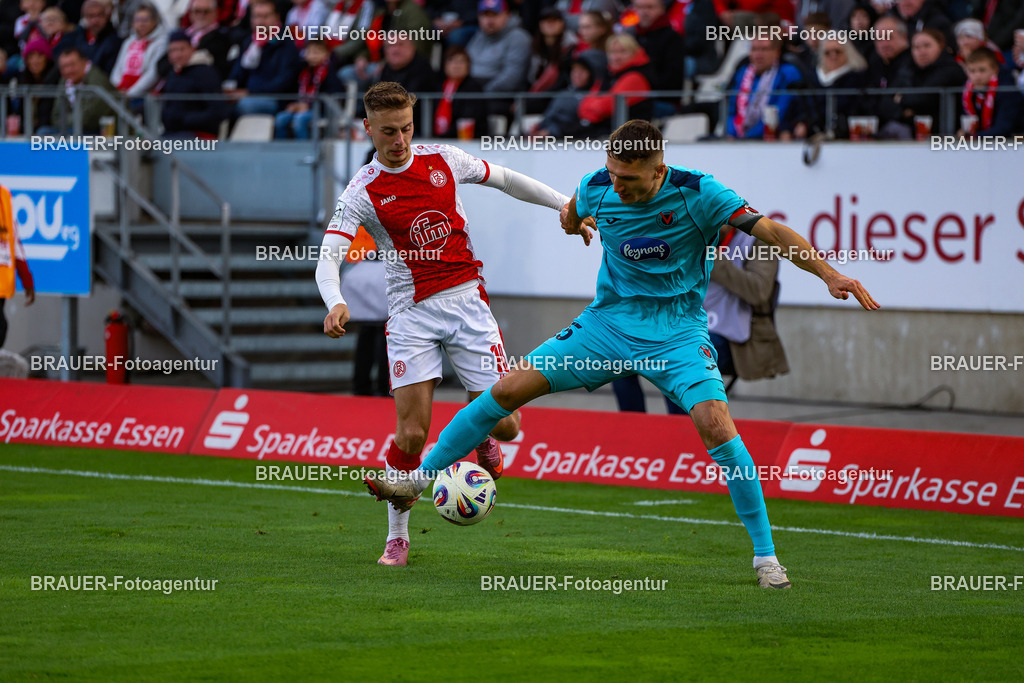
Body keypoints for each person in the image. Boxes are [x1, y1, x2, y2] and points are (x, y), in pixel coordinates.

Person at [365, 119, 881, 589]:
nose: (616, 185)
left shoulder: (699, 192)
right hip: (607, 327)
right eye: (612, 174)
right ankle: (419, 475)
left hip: (676, 335)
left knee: (718, 426)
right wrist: (575, 223)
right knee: (506, 389)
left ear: (659, 170)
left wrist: (830, 273)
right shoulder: (597, 186)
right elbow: (572, 212)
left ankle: (766, 559)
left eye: (628, 179)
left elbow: (770, 232)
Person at [315, 82, 580, 567]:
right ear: (368, 128)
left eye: (408, 128)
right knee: (412, 437)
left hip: (468, 306)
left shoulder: (443, 160)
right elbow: (328, 256)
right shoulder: (361, 191)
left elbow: (506, 179)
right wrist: (335, 301)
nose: (400, 140)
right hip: (410, 314)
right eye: (389, 132)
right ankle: (398, 537)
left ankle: (477, 434)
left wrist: (567, 205)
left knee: (509, 427)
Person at [228, 0, 301, 117]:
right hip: (248, 95)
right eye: (256, 16)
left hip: (276, 100)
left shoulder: (286, 43)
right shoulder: (249, 42)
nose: (260, 21)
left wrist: (250, 92)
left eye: (265, 16)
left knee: (245, 106)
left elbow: (283, 83)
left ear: (276, 17)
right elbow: (237, 74)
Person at [725, 37, 805, 139]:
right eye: (754, 49)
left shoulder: (788, 73)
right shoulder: (742, 73)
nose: (758, 55)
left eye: (764, 49)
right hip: (740, 138)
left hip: (772, 138)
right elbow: (731, 110)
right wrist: (732, 134)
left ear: (777, 52)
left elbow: (780, 111)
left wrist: (747, 138)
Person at [159, 29, 227, 138]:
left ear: (192, 49)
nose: (177, 54)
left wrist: (184, 119)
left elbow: (217, 111)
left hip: (199, 134)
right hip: (173, 132)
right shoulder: (173, 74)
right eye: (173, 50)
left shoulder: (205, 73)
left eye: (182, 49)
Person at [275, 39, 342, 138]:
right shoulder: (301, 71)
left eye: (316, 52)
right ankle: (280, 150)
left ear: (326, 54)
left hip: (320, 111)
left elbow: (332, 97)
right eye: (309, 52)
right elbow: (290, 90)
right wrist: (292, 105)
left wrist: (309, 106)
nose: (312, 56)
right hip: (300, 108)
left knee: (300, 120)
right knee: (280, 119)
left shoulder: (330, 73)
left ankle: (303, 150)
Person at [43, 46, 117, 134]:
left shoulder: (97, 81)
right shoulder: (65, 80)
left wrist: (66, 120)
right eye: (63, 67)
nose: (68, 70)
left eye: (72, 65)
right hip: (72, 128)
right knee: (43, 132)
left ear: (84, 62)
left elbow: (89, 119)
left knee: (71, 134)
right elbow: (56, 116)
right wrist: (68, 120)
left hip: (99, 132)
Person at [957, 46, 1023, 136]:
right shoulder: (967, 92)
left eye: (982, 70)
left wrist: (974, 136)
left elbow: (1003, 128)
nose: (977, 76)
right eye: (972, 71)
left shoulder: (1007, 92)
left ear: (995, 70)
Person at [1, 184, 35, 349]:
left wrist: (26, 279)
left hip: (1, 283)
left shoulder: (4, 196)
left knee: (1, 328)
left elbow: (13, 240)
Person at [110, 3, 168, 100]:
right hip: (121, 93)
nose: (141, 24)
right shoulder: (128, 42)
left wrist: (130, 93)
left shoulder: (161, 42)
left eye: (145, 20)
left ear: (155, 21)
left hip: (145, 97)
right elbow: (118, 68)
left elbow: (153, 73)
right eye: (137, 20)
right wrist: (116, 89)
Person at [433, 46, 488, 139]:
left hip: (463, 140)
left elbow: (468, 118)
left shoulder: (473, 87)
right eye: (452, 61)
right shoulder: (438, 85)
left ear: (468, 65)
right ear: (445, 65)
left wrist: (442, 137)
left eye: (461, 61)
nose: (456, 65)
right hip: (438, 139)